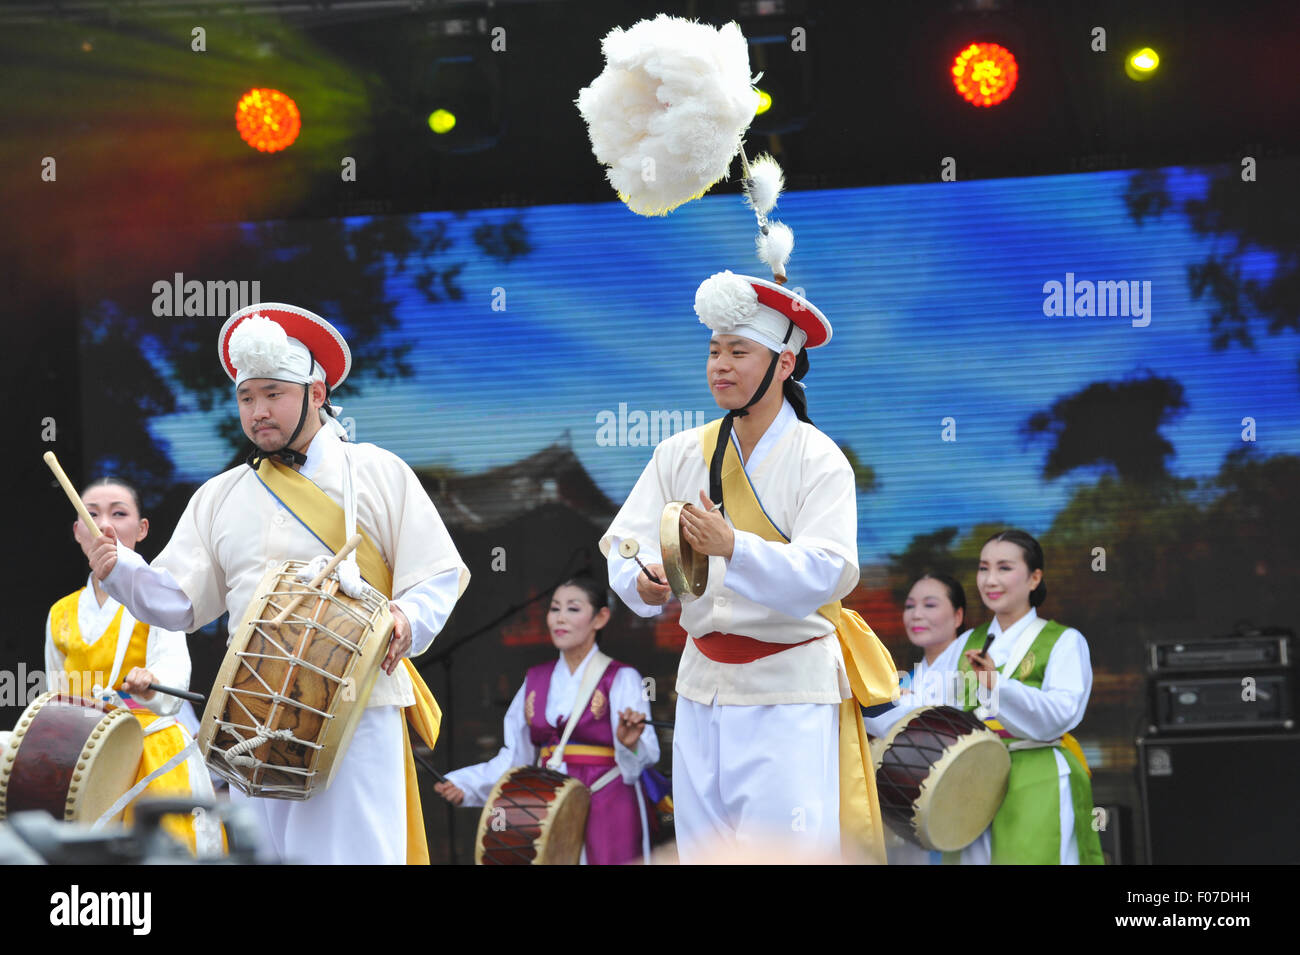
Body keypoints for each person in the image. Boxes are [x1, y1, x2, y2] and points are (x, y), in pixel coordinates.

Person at [82, 302, 469, 864]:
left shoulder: (378, 473)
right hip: (251, 716)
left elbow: (435, 573)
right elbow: (183, 601)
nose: (258, 411)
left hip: (353, 707)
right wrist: (120, 568)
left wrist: (407, 620)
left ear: (315, 393)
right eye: (246, 398)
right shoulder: (220, 496)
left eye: (273, 394)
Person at [599, 270, 896, 863]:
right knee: (705, 851)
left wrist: (733, 546)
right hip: (702, 686)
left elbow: (830, 570)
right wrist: (644, 582)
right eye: (713, 351)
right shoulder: (680, 452)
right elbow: (625, 544)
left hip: (788, 689)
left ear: (785, 364)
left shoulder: (820, 459)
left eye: (739, 352)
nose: (720, 366)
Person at [46, 476, 220, 855]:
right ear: (78, 531)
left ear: (141, 529)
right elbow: (54, 700)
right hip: (84, 761)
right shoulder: (60, 612)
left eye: (118, 513)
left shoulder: (156, 598)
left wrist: (152, 680)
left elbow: (175, 670)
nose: (103, 524)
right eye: (90, 515)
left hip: (149, 754)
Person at [434, 577, 661, 864]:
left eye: (573, 609)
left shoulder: (621, 677)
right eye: (555, 609)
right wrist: (465, 784)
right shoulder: (535, 680)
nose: (560, 618)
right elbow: (515, 760)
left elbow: (645, 758)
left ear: (600, 617)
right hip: (546, 807)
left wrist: (631, 745)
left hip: (608, 801)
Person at [954, 529, 1103, 865]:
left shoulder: (1064, 641)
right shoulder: (964, 643)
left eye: (1004, 568)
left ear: (1035, 578)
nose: (990, 579)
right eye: (983, 568)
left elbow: (1061, 713)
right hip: (971, 780)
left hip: (1037, 774)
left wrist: (997, 684)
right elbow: (932, 706)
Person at [862, 573, 967, 864]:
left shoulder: (974, 674)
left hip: (963, 805)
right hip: (913, 812)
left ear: (958, 616)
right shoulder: (905, 680)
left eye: (930, 605)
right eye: (910, 606)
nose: (916, 614)